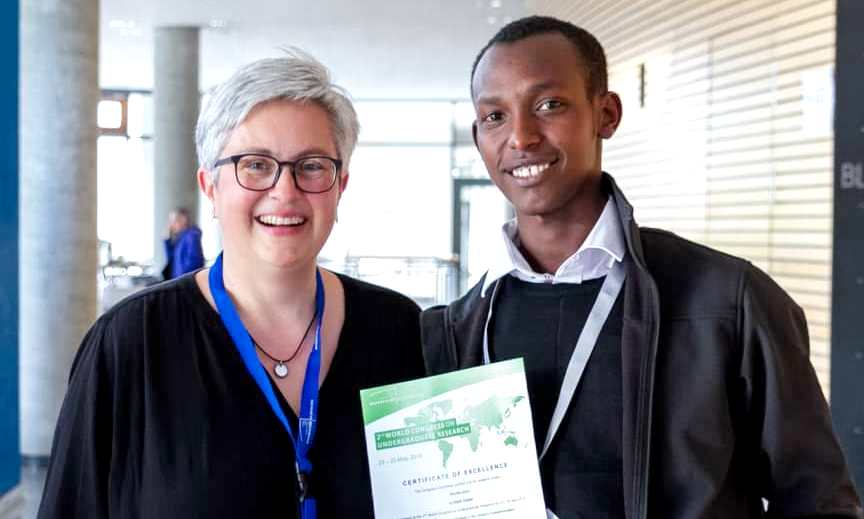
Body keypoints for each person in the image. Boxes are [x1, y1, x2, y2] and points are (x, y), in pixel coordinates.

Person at [420, 16, 863, 519]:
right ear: (478, 136)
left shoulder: (728, 302)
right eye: (495, 116)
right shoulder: (456, 331)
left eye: (549, 105)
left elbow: (820, 502)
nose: (520, 136)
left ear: (605, 114)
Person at [38, 49, 425, 518]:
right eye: (256, 165)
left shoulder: (401, 330)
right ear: (210, 186)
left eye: (312, 165)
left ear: (340, 185)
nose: (285, 191)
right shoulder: (131, 342)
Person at [161, 207, 204, 279]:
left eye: (173, 221)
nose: (171, 225)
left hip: (184, 283)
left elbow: (195, 263)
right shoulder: (181, 237)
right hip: (179, 281)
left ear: (183, 220)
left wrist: (182, 280)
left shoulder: (191, 236)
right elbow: (171, 259)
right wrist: (167, 241)